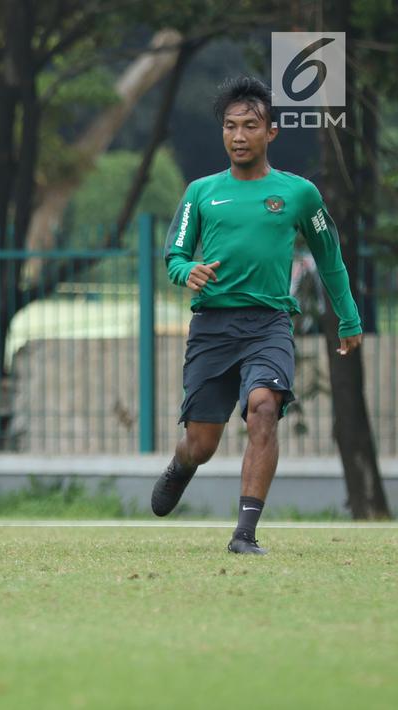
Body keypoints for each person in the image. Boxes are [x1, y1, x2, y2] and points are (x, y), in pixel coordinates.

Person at [152, 76, 362, 554]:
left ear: (272, 132)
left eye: (250, 125)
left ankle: (244, 534)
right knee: (203, 443)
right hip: (212, 328)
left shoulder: (299, 194)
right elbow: (175, 255)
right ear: (222, 133)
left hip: (269, 324)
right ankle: (182, 463)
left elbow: (329, 257)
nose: (239, 136)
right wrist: (189, 272)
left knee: (264, 408)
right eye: (230, 126)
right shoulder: (200, 192)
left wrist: (348, 317)